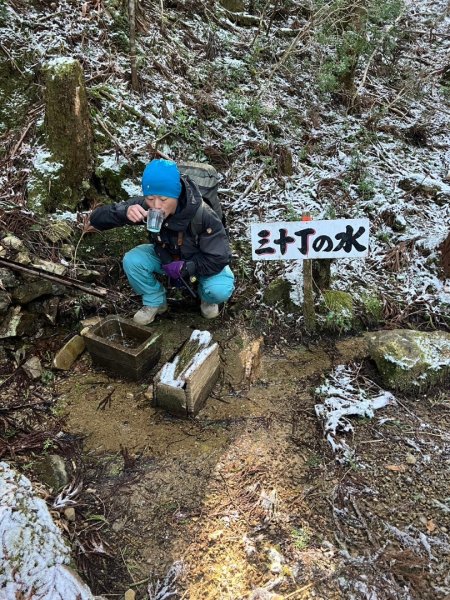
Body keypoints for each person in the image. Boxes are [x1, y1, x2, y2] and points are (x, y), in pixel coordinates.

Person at [89, 159, 235, 325]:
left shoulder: (203, 214)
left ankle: (206, 297)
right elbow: (96, 219)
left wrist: (188, 268)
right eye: (150, 198)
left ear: (177, 194)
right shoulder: (147, 206)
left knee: (219, 289)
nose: (156, 205)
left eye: (164, 199)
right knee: (133, 260)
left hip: (199, 260)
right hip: (166, 256)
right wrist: (124, 212)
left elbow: (220, 257)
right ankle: (155, 302)